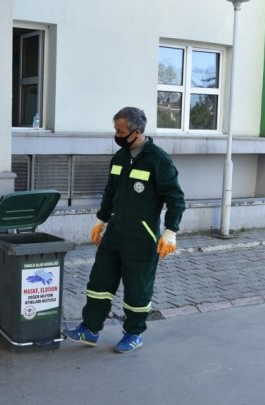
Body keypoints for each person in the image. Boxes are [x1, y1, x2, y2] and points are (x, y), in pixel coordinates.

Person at [63, 106, 185, 353]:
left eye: (120, 131)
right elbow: (110, 192)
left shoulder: (158, 160)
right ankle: (90, 329)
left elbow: (176, 198)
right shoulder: (119, 158)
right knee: (99, 281)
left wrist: (170, 232)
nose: (116, 135)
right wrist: (101, 220)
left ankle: (133, 333)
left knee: (137, 287)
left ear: (136, 132)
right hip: (115, 234)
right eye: (115, 130)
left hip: (142, 237)